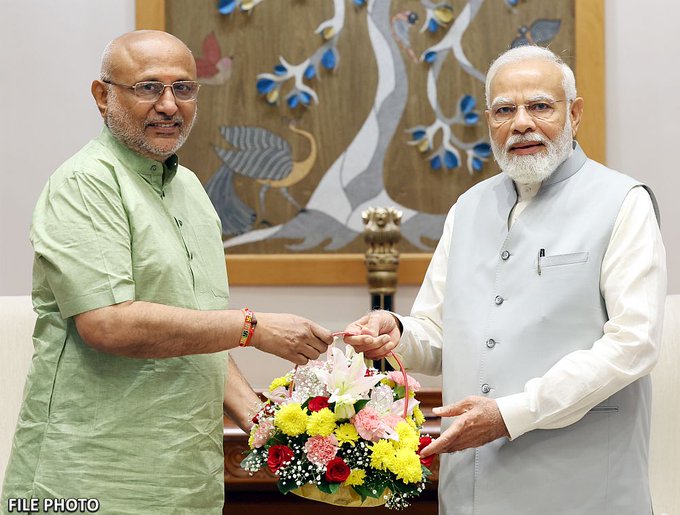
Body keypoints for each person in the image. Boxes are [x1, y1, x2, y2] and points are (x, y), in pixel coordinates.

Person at [1, 30, 332, 514]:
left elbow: (197, 328)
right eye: (149, 87)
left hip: (187, 481)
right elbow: (108, 323)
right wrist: (253, 328)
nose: (170, 105)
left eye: (184, 88)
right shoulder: (84, 182)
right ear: (102, 96)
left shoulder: (191, 189)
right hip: (92, 474)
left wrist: (259, 419)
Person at [344, 45, 666, 515]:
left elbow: (634, 344)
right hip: (471, 487)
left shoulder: (623, 201)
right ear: (489, 122)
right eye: (504, 110)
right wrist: (396, 332)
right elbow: (437, 334)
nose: (521, 124)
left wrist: (509, 414)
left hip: (582, 489)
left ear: (574, 115)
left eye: (540, 106)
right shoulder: (468, 208)